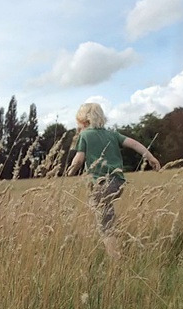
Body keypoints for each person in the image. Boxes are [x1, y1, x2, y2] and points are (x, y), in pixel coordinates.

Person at [67, 103, 161, 258]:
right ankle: (117, 241)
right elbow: (134, 144)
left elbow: (79, 159)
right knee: (106, 213)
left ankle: (115, 258)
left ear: (83, 121)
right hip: (118, 182)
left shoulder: (84, 135)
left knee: (105, 224)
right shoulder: (112, 134)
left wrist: (70, 171)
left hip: (101, 184)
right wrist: (150, 157)